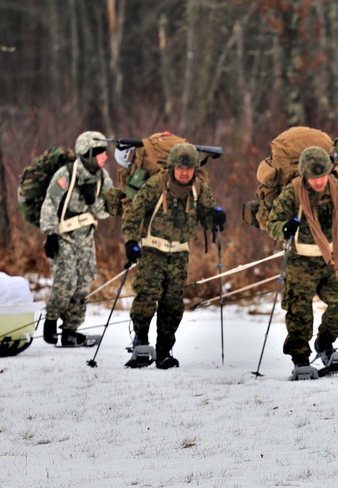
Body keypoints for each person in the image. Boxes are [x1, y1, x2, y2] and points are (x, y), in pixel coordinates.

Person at [266, 146, 338, 375]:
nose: (319, 182)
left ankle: (324, 343)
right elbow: (272, 223)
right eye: (314, 178)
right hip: (301, 261)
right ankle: (300, 358)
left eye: (322, 176)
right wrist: (284, 228)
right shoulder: (292, 192)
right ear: (305, 175)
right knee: (299, 311)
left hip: (332, 260)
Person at [121, 143, 224, 369]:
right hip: (152, 251)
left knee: (172, 305)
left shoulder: (199, 189)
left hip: (179, 255)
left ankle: (164, 350)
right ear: (172, 167)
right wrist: (130, 241)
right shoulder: (155, 185)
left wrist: (216, 220)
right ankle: (140, 343)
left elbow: (207, 215)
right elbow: (133, 214)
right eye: (180, 168)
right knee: (147, 297)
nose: (185, 172)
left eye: (189, 168)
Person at [40, 130, 114, 347]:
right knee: (66, 280)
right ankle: (51, 320)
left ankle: (71, 330)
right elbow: (50, 203)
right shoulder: (66, 175)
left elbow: (105, 212)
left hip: (85, 237)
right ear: (87, 153)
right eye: (99, 153)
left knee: (83, 282)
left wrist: (93, 201)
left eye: (104, 153)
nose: (104, 157)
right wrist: (50, 233)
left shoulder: (103, 178)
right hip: (62, 236)